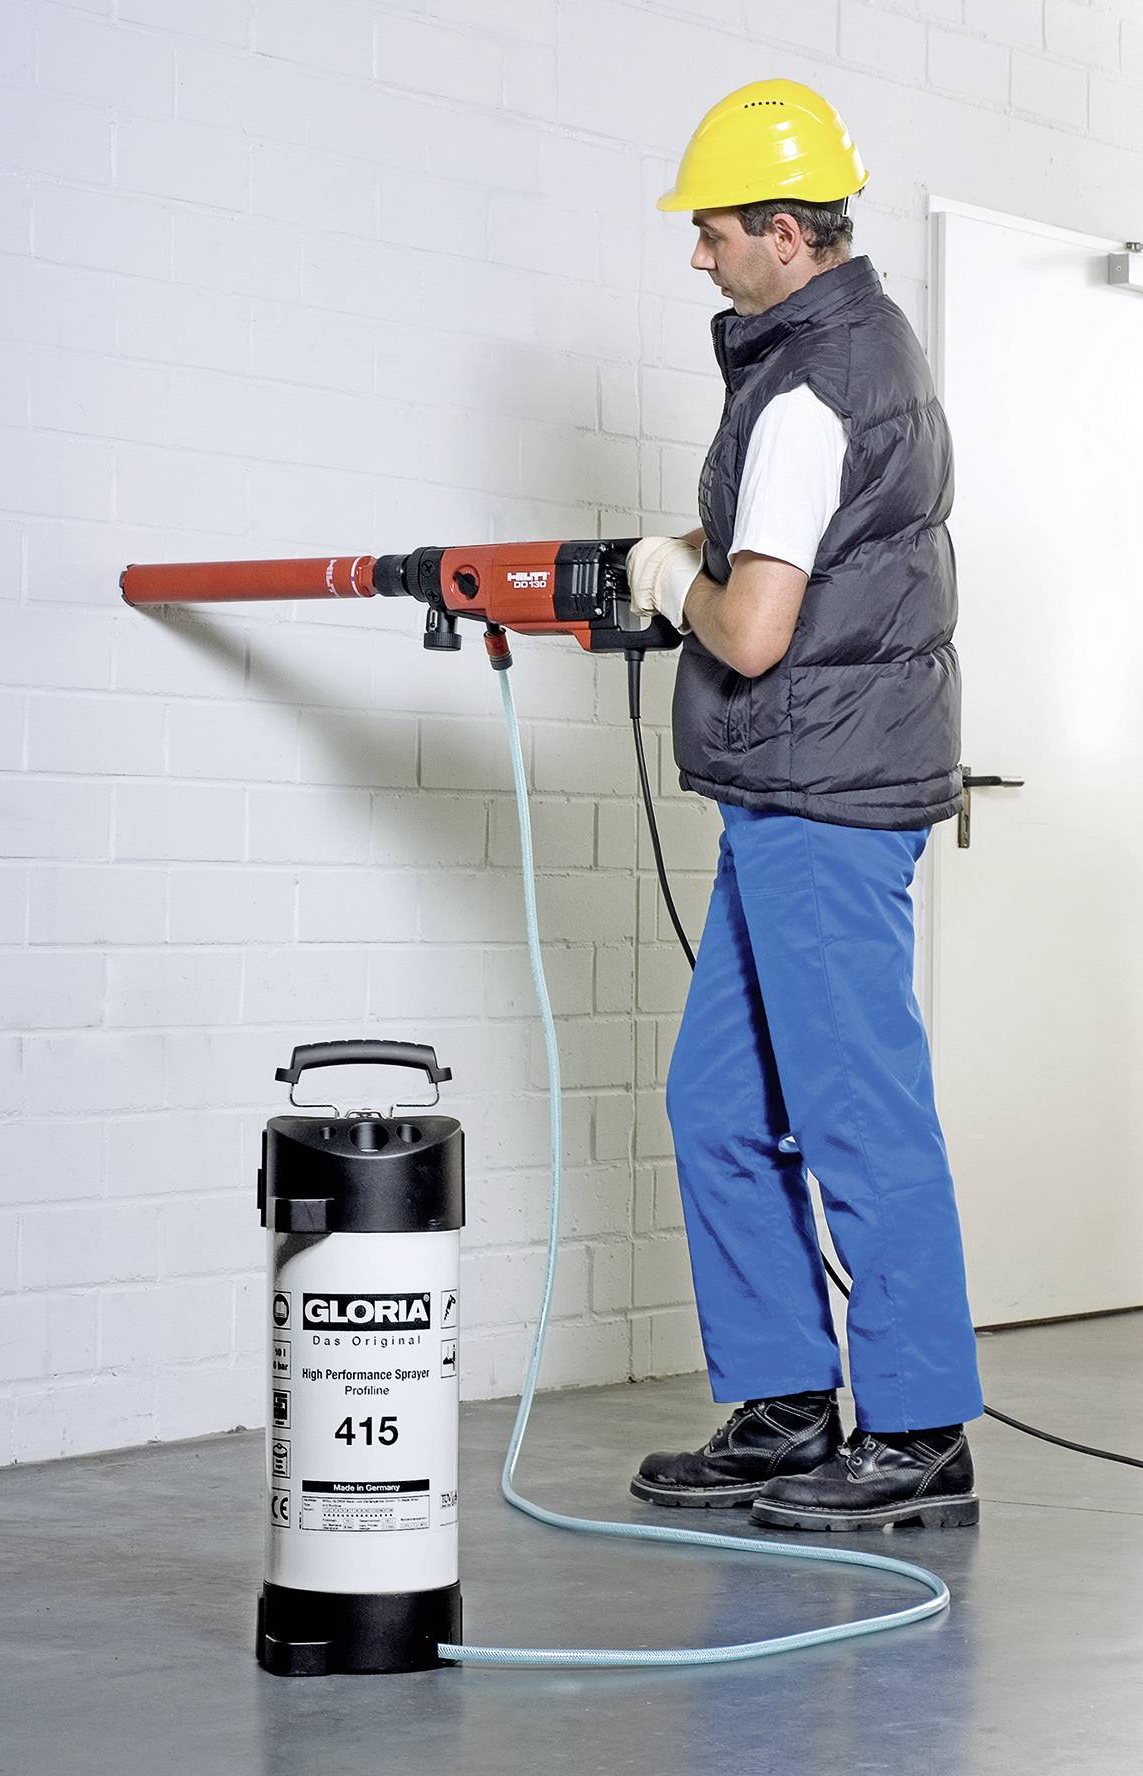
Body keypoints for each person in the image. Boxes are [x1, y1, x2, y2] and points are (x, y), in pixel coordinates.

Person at [625, 79, 984, 1532]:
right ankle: (783, 1402)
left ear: (785, 232)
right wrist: (699, 557)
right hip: (794, 789)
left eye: (713, 231)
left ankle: (919, 1431)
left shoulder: (808, 386)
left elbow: (755, 629)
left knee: (854, 1112)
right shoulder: (850, 351)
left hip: (824, 799)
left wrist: (672, 582)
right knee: (718, 1104)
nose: (697, 254)